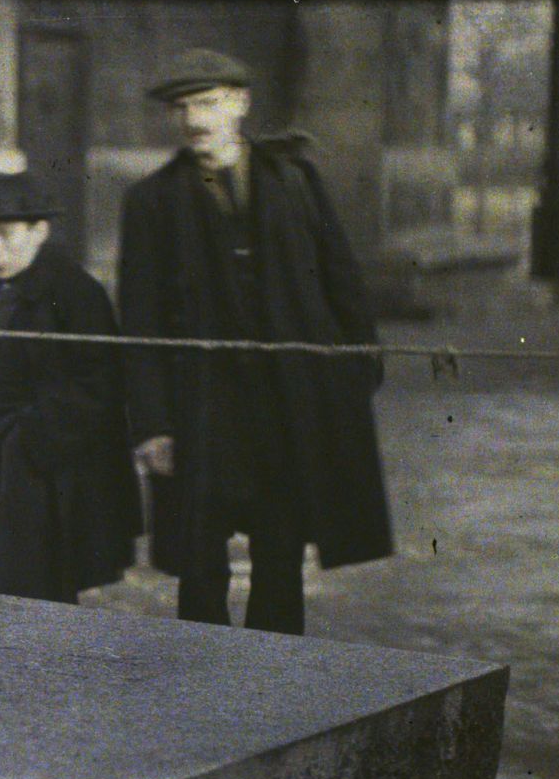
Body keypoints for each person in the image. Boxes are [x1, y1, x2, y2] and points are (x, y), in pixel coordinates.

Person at [117, 49, 391, 636]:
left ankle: (275, 687)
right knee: (199, 566)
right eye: (184, 107)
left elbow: (343, 286)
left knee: (280, 559)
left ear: (241, 104)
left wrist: (353, 378)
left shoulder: (294, 180)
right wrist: (152, 424)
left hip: (282, 407)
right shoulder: (151, 201)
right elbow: (137, 322)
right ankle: (199, 688)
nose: (196, 120)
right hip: (200, 411)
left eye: (209, 103)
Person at [0, 173, 138, 604]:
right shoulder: (14, 290)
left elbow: (100, 381)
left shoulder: (72, 292)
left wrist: (33, 436)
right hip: (23, 456)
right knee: (24, 585)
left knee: (43, 589)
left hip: (57, 472)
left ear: (40, 231)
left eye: (4, 234)